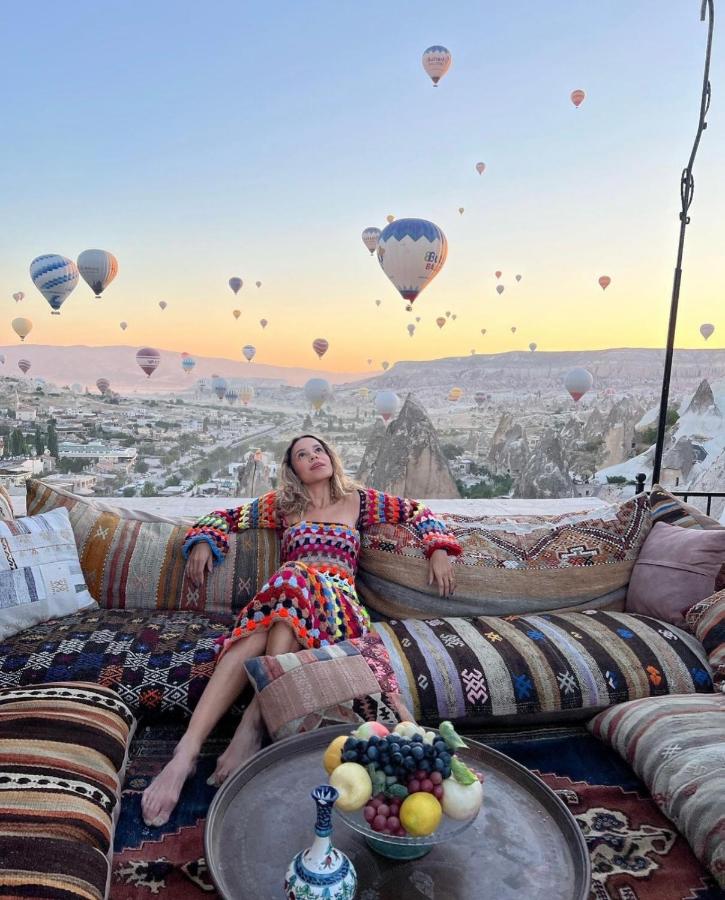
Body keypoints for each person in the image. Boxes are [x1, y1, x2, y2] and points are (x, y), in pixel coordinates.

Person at [141, 434, 461, 827]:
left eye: (319, 450)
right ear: (293, 470)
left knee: (290, 581)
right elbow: (223, 517)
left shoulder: (360, 500)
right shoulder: (283, 506)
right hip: (288, 605)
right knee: (268, 618)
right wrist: (206, 542)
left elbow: (418, 512)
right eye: (302, 455)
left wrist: (438, 548)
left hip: (340, 611)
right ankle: (185, 755)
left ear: (331, 457)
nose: (313, 458)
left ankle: (252, 721)